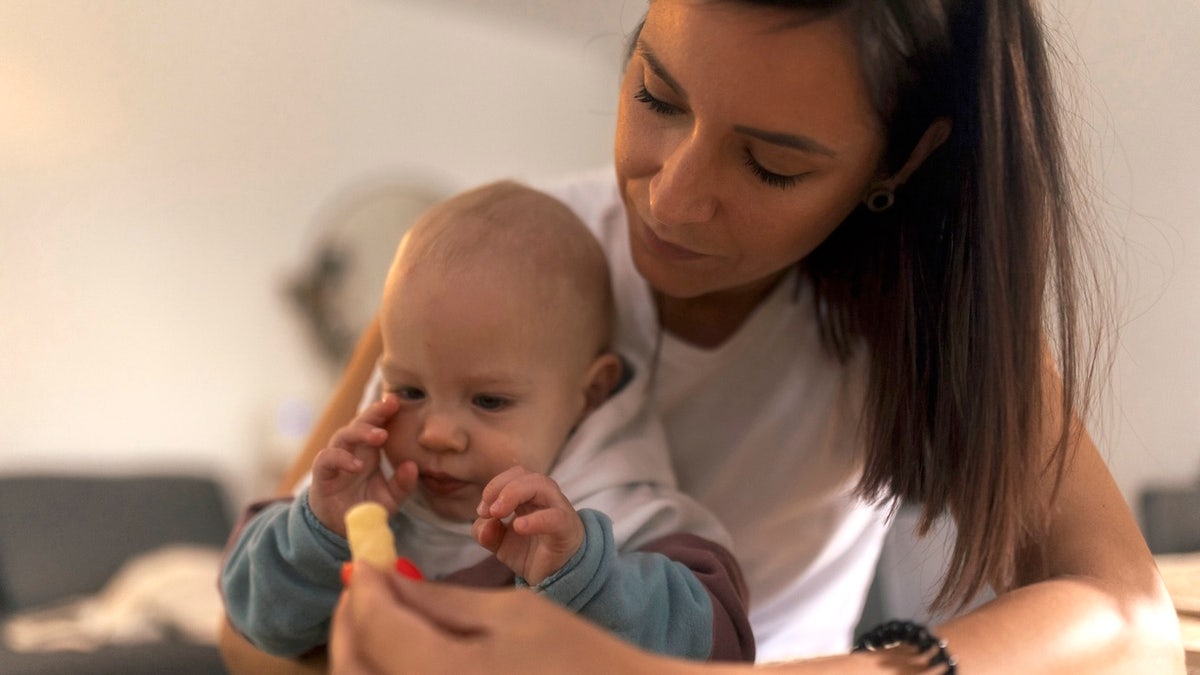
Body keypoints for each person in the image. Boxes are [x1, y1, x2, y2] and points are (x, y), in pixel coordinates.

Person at [228, 0, 1189, 672]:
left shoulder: (923, 318)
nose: (673, 199)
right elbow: (246, 629)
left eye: (771, 165)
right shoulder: (479, 270)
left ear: (899, 160)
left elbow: (1132, 625)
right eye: (656, 96)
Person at [220, 181, 754, 663]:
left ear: (588, 395)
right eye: (409, 391)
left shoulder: (627, 511)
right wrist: (316, 535)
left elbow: (719, 653)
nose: (436, 434)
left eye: (489, 401)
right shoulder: (361, 494)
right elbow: (251, 615)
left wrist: (584, 581)